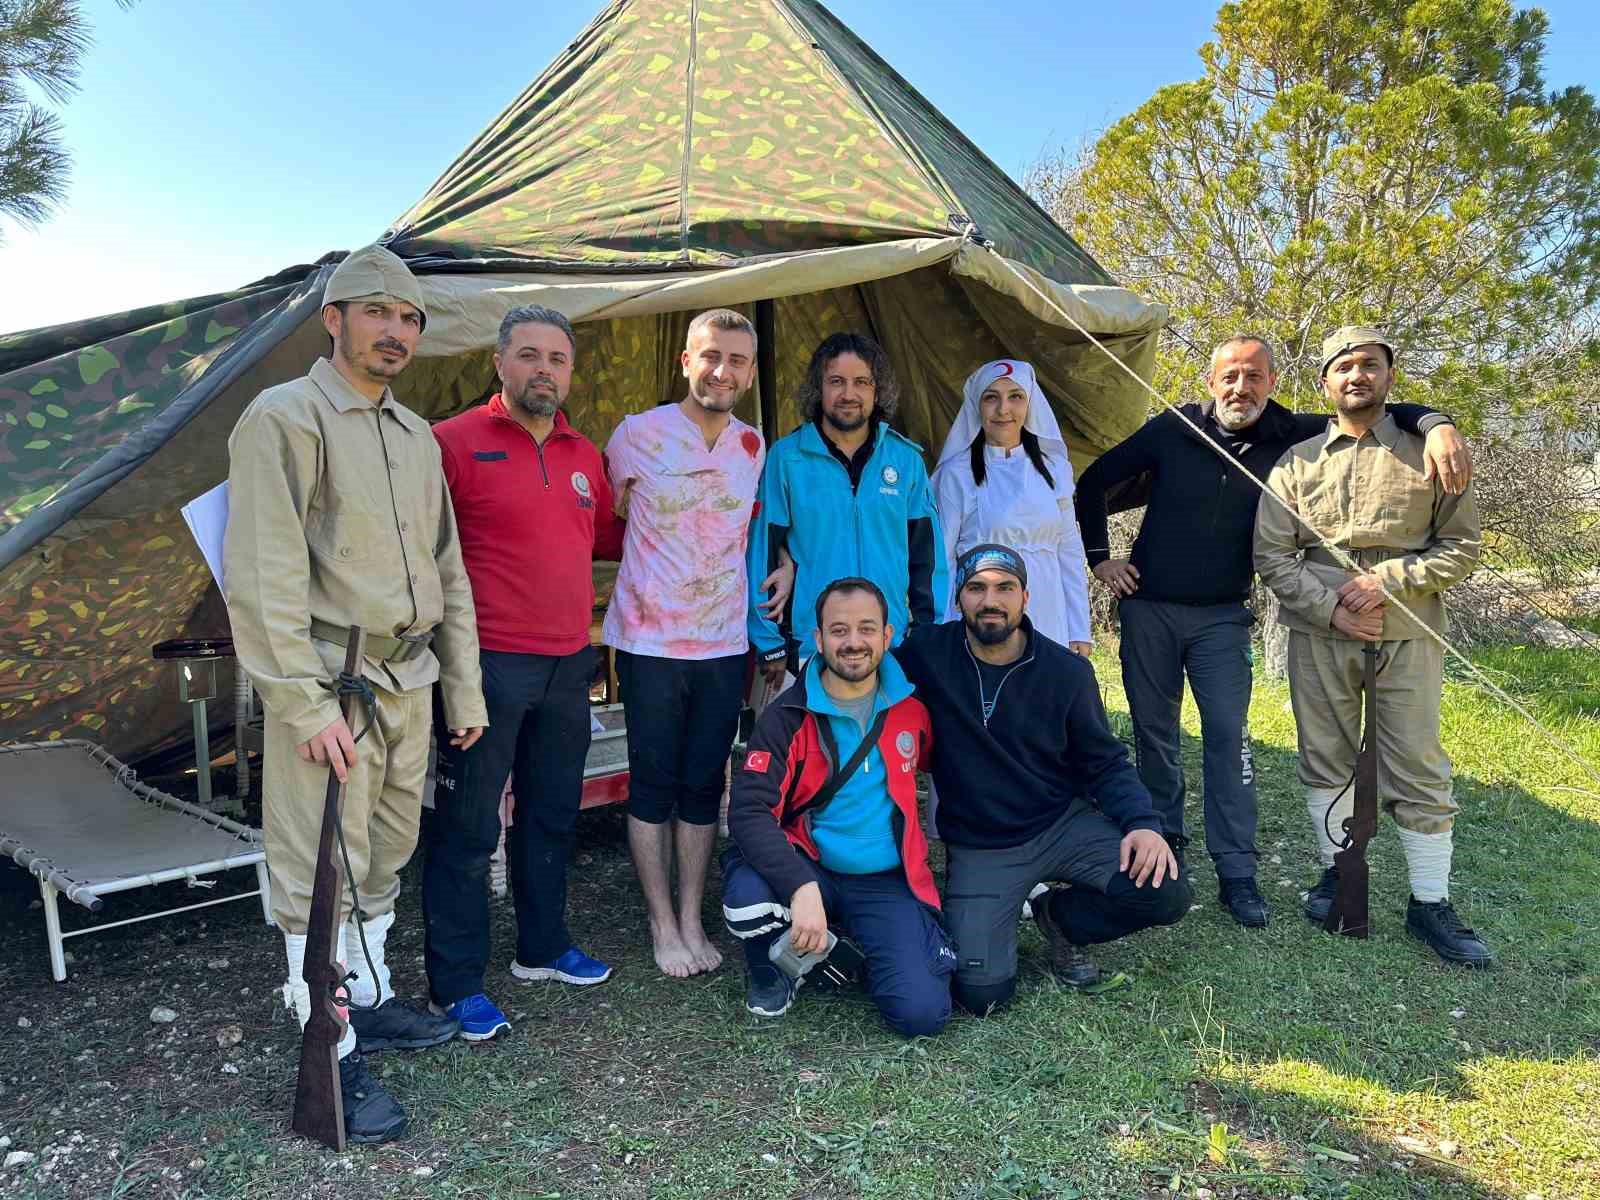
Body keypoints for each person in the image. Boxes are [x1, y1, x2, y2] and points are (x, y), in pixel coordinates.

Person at [1074, 334, 1472, 929]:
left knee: (1230, 741)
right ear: (1210, 382)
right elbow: (1095, 479)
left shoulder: (1290, 435)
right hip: (1150, 609)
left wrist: (1436, 421)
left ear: (1275, 383)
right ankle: (1168, 850)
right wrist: (1100, 556)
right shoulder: (1173, 427)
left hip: (1223, 618)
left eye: (1255, 376)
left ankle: (1237, 871)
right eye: (1229, 376)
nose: (1242, 388)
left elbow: (1370, 409)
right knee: (1155, 738)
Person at [223, 245, 486, 1144]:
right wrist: (302, 704)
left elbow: (448, 571)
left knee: (380, 856)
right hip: (330, 684)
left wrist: (465, 688)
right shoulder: (283, 418)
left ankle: (364, 1001)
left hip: (410, 681)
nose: (396, 331)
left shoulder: (414, 437)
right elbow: (259, 575)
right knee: (316, 876)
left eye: (410, 317)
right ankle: (327, 1049)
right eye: (377, 311)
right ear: (332, 319)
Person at [1255, 326, 1491, 967]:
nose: (1356, 376)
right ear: (1325, 383)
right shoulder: (1296, 461)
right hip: (1319, 633)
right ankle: (1339, 871)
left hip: (1407, 631)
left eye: (1370, 365)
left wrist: (1384, 583)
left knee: (1416, 763)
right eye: (1344, 368)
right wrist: (1332, 609)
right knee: (1324, 755)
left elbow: (1462, 546)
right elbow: (1272, 555)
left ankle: (1429, 902)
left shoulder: (1433, 452)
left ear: (1390, 376)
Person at [423, 305, 625, 1040]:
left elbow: (607, 535)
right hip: (484, 666)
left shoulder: (583, 454)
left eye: (558, 359)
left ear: (571, 371)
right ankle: (456, 982)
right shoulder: (451, 443)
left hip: (570, 662)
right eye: (530, 356)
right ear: (499, 364)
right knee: (470, 827)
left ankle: (541, 948)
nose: (545, 370)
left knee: (550, 814)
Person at [895, 544, 1190, 1015]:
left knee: (1164, 889)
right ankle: (995, 918)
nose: (991, 600)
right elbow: (862, 674)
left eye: (1004, 588)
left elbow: (1105, 761)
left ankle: (1060, 918)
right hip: (982, 845)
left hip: (1061, 825)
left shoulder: (1066, 672)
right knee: (981, 997)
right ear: (959, 599)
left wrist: (1143, 824)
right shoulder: (925, 653)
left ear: (1026, 597)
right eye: (977, 588)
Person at [603, 309, 766, 978]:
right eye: (710, 356)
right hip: (647, 642)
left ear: (750, 373)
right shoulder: (636, 435)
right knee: (652, 783)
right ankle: (660, 922)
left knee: (704, 784)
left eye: (737, 360)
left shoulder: (755, 447)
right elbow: (611, 522)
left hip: (723, 643)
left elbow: (756, 535)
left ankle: (693, 915)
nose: (722, 370)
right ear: (685, 361)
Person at [724, 577, 952, 1035]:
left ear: (887, 637)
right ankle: (774, 970)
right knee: (747, 902)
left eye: (867, 629)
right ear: (819, 637)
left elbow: (947, 771)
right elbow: (748, 811)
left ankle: (846, 939)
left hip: (883, 879)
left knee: (922, 1015)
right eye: (839, 630)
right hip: (810, 866)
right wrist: (799, 886)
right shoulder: (785, 717)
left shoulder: (914, 711)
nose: (853, 642)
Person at [748, 333, 948, 688]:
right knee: (812, 744)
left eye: (861, 382)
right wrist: (771, 644)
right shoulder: (787, 457)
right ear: (818, 388)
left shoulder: (905, 460)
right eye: (836, 381)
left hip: (890, 644)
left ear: (877, 389)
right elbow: (762, 551)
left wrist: (926, 635)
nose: (848, 394)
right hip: (812, 645)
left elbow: (928, 559)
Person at [932, 358, 1091, 654]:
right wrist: (946, 629)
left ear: (1029, 404)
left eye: (1015, 397)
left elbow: (1068, 552)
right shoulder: (957, 474)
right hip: (982, 617)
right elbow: (943, 560)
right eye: (991, 397)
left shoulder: (1055, 469)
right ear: (977, 406)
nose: (1003, 409)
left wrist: (1079, 627)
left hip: (1049, 614)